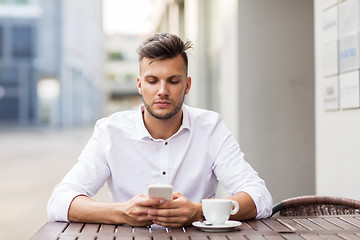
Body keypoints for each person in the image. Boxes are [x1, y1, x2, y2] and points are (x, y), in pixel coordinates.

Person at [47, 33, 273, 227]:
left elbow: (260, 197)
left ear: (187, 85)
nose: (162, 91)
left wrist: (198, 211)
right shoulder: (110, 131)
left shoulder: (210, 127)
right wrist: (123, 212)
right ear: (139, 85)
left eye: (173, 81)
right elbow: (59, 201)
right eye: (152, 81)